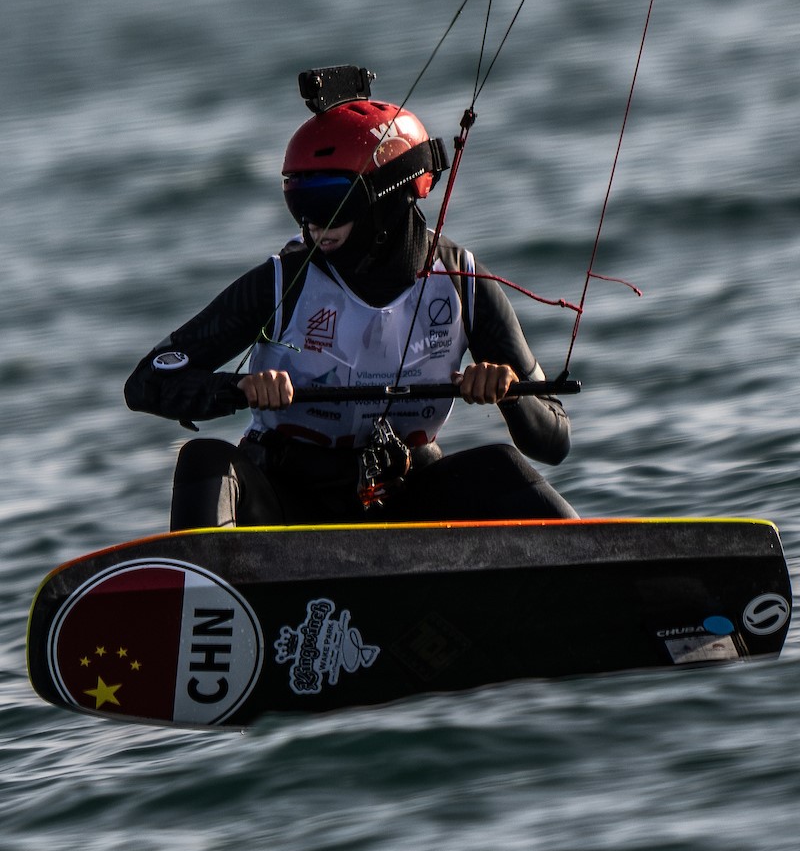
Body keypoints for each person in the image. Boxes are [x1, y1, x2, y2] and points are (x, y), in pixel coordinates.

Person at [125, 65, 578, 528]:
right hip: (289, 505)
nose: (313, 226)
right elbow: (145, 383)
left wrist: (510, 395)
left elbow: (555, 440)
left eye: (328, 203)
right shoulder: (282, 282)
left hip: (406, 502)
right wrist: (237, 389)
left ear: (389, 197)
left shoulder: (462, 282)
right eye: (300, 203)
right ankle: (203, 572)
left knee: (501, 467)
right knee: (204, 459)